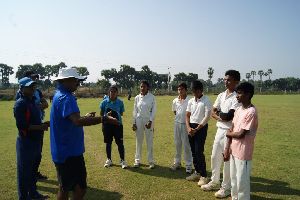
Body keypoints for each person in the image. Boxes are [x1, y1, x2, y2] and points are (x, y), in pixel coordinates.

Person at [50, 68, 118, 200]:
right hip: (68, 152)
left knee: (66, 187)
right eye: (76, 80)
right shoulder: (66, 97)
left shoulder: (59, 94)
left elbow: (71, 119)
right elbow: (77, 121)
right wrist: (103, 119)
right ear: (65, 80)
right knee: (77, 189)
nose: (78, 83)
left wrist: (84, 117)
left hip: (64, 150)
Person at [201, 70, 240, 198]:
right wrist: (220, 117)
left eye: (229, 80)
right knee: (214, 157)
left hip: (230, 132)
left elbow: (229, 116)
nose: (226, 82)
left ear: (236, 82)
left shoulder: (237, 97)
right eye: (224, 79)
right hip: (219, 130)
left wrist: (220, 115)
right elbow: (213, 111)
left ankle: (226, 188)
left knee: (226, 160)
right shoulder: (221, 95)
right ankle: (214, 182)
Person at [14, 77, 50, 200]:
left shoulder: (33, 101)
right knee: (24, 172)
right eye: (29, 86)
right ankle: (24, 197)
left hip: (36, 141)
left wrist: (44, 124)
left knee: (33, 170)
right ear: (22, 88)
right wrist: (41, 127)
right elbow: (22, 126)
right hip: (26, 142)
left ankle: (34, 194)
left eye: (33, 85)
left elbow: (35, 119)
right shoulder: (20, 104)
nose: (32, 88)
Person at [223, 82, 258, 200]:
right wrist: (227, 148)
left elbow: (240, 134)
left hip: (244, 152)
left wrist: (228, 133)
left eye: (240, 93)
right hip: (234, 149)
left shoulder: (251, 112)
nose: (237, 96)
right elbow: (232, 129)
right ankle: (234, 197)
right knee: (234, 178)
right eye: (237, 93)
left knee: (242, 181)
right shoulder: (238, 109)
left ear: (248, 95)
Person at [185, 80, 212, 187]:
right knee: (193, 151)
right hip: (191, 127)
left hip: (201, 128)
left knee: (199, 151)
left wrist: (196, 129)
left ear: (201, 90)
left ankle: (204, 176)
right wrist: (188, 128)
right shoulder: (191, 101)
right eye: (193, 90)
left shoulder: (206, 100)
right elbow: (187, 115)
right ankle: (197, 172)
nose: (194, 92)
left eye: (196, 90)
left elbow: (207, 117)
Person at [100, 85, 128, 169]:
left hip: (118, 125)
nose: (112, 93)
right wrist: (106, 116)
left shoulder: (120, 102)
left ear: (117, 93)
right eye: (111, 91)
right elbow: (101, 114)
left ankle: (122, 160)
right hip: (107, 126)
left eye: (114, 92)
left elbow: (121, 113)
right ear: (109, 92)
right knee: (108, 143)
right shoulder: (104, 102)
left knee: (120, 143)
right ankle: (109, 160)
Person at [132, 80, 156, 169]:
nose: (142, 88)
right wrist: (133, 122)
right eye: (141, 86)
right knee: (138, 141)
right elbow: (135, 111)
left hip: (148, 121)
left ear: (148, 88)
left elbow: (154, 110)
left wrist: (150, 121)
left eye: (144, 86)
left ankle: (151, 161)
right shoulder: (137, 97)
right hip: (138, 120)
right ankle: (137, 160)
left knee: (149, 141)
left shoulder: (152, 97)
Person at [170, 82, 193, 174]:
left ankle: (188, 165)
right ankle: (177, 162)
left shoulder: (190, 101)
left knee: (186, 145)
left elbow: (190, 114)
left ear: (186, 90)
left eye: (182, 89)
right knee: (177, 144)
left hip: (186, 125)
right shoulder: (175, 100)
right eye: (179, 89)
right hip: (177, 124)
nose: (180, 91)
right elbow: (175, 112)